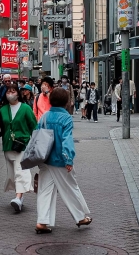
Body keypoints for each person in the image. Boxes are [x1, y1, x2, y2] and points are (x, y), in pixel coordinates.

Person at [35, 88, 92, 234]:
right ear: (66, 102)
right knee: (71, 187)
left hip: (45, 159)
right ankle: (80, 217)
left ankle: (42, 221)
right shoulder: (66, 118)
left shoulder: (46, 116)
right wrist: (68, 159)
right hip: (60, 160)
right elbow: (67, 140)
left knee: (44, 190)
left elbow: (36, 134)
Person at [0, 85, 37, 213]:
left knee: (21, 170)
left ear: (18, 93)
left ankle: (18, 197)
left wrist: (35, 143)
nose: (11, 94)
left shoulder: (26, 108)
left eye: (13, 91)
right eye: (8, 92)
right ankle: (20, 198)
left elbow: (34, 125)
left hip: (23, 144)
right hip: (8, 144)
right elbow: (1, 128)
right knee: (12, 173)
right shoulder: (2, 109)